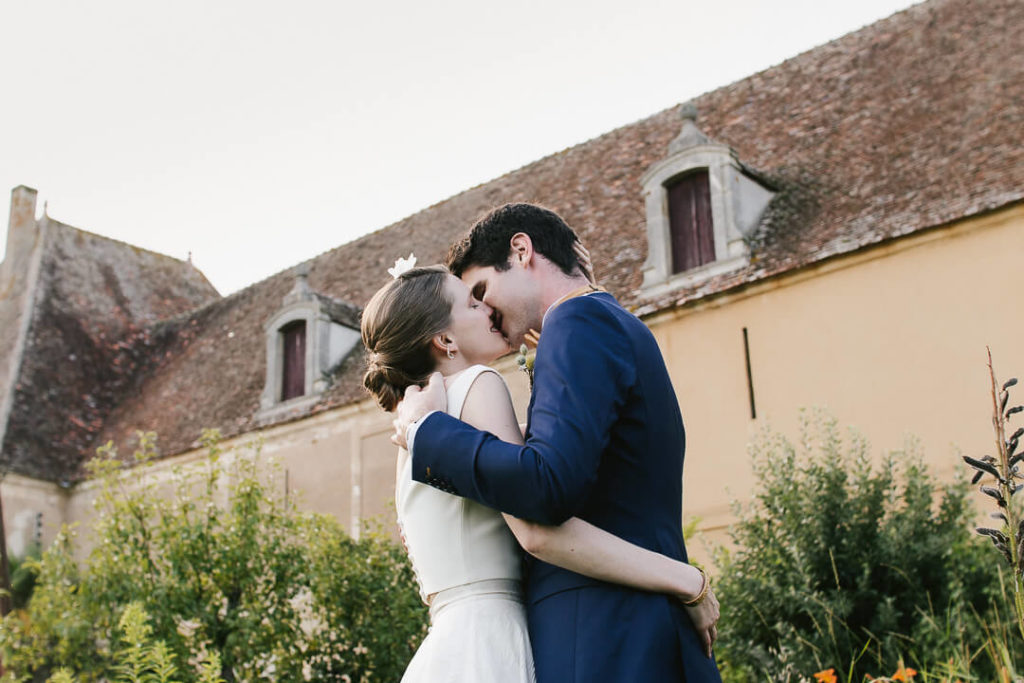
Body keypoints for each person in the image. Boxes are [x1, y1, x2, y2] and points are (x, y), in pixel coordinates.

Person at [391, 203, 722, 682]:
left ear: (521, 251)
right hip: (630, 625)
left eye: (482, 291)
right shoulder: (604, 325)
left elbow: (545, 488)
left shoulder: (576, 323)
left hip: (603, 634)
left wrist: (431, 436)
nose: (487, 313)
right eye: (472, 303)